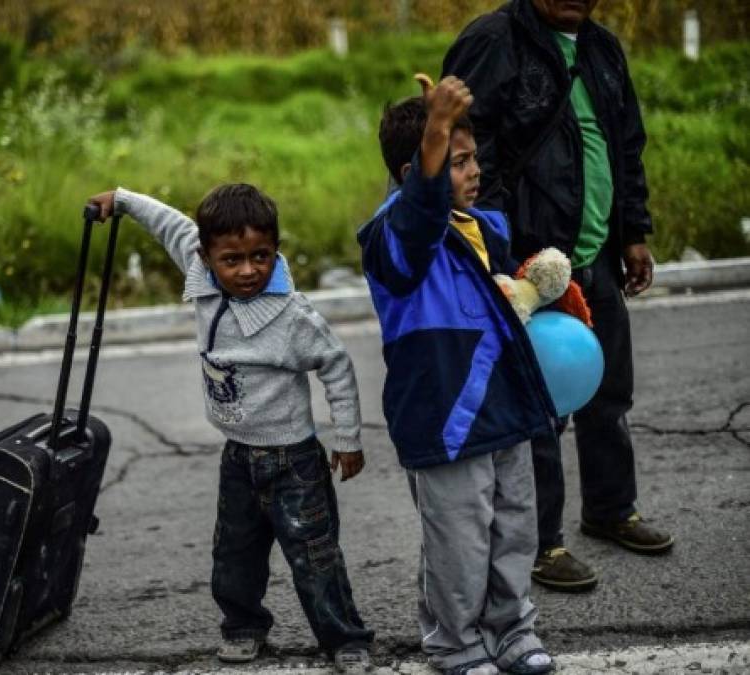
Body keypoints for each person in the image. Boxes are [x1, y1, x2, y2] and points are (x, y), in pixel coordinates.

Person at [87, 184, 374, 673]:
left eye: (261, 256)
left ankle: (345, 639)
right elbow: (170, 223)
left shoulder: (292, 316)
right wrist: (123, 199)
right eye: (233, 259)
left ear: (276, 251)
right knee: (234, 552)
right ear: (206, 256)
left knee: (314, 555)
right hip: (238, 455)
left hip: (293, 461)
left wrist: (347, 438)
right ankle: (243, 627)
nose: (247, 270)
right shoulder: (199, 270)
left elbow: (336, 366)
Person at [441, 0, 674, 593]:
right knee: (540, 408)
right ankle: (541, 542)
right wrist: (495, 251)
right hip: (531, 262)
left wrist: (634, 233)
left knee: (606, 390)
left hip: (593, 253)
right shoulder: (495, 40)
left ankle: (611, 509)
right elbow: (467, 154)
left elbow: (626, 146)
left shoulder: (601, 47)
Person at [358, 74, 555, 675]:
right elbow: (420, 219)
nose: (473, 172)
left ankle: (513, 628)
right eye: (456, 160)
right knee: (458, 545)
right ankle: (456, 643)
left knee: (515, 529)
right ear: (412, 170)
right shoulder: (392, 237)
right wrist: (435, 128)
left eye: (474, 159)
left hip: (504, 409)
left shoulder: (486, 227)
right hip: (446, 420)